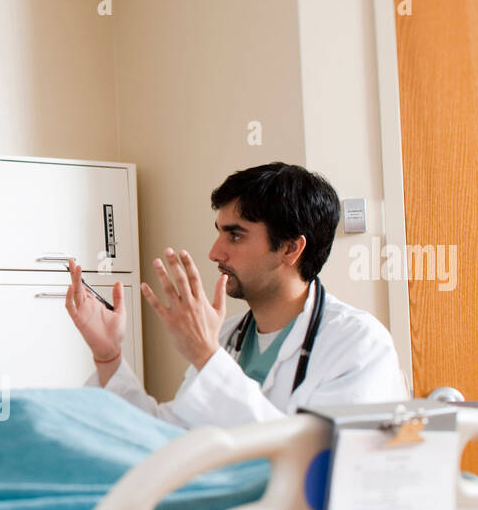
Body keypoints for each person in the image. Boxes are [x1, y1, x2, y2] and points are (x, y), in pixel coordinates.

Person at [66, 162, 407, 429]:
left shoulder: (358, 344)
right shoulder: (229, 338)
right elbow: (168, 439)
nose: (215, 253)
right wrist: (108, 355)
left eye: (235, 236)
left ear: (290, 248)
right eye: (219, 233)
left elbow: (315, 465)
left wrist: (206, 356)